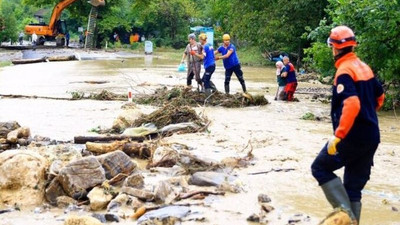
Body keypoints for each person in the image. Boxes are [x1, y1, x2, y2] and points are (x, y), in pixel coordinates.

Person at [311, 25, 385, 225]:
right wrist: (367, 118)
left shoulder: (344, 71)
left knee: (319, 168)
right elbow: (380, 97)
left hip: (351, 137)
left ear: (334, 48)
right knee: (353, 189)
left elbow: (352, 103)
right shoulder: (364, 67)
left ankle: (347, 219)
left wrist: (339, 135)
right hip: (371, 137)